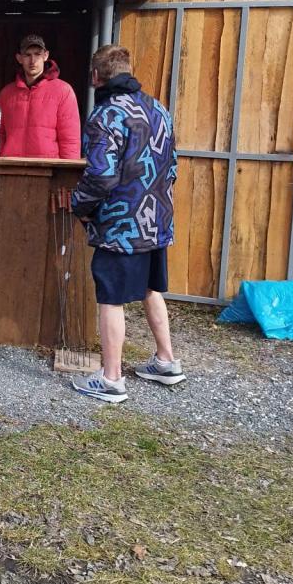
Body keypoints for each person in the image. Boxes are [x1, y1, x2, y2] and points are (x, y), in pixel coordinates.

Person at [70, 45, 184, 403]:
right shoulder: (158, 109)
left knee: (111, 297)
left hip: (120, 225)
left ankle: (111, 379)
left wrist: (79, 206)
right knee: (151, 288)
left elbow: (101, 176)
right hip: (156, 220)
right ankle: (166, 362)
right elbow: (173, 166)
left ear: (95, 76)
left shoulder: (106, 115)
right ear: (127, 71)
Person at [0, 33, 81, 158]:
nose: (33, 60)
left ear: (45, 55)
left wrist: (69, 169)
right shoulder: (6, 94)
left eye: (37, 54)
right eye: (27, 55)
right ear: (19, 58)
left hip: (47, 167)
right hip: (11, 165)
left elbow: (70, 139)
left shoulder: (63, 91)